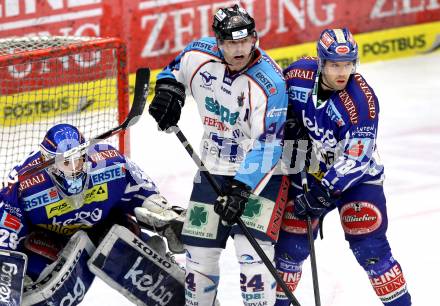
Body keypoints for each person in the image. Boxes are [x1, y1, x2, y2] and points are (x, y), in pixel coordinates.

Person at [148, 4, 289, 306]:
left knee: (253, 261)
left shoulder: (270, 83)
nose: (239, 50)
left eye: (245, 41)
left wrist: (241, 188)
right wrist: (167, 93)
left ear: (255, 38)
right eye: (231, 43)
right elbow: (173, 71)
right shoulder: (198, 54)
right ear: (218, 42)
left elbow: (270, 145)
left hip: (261, 179)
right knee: (198, 262)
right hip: (212, 168)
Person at [275, 28, 412, 305]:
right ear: (321, 61)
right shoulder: (298, 75)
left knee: (371, 249)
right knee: (289, 250)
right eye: (335, 64)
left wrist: (324, 190)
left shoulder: (362, 101)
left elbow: (357, 158)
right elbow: (275, 100)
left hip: (357, 180)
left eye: (349, 63)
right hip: (310, 171)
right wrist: (289, 123)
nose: (342, 72)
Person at [0, 123, 185, 306]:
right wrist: (7, 277)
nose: (74, 168)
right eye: (66, 162)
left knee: (137, 246)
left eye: (78, 159)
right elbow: (7, 232)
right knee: (23, 283)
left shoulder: (110, 161)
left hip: (105, 230)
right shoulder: (23, 183)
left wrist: (164, 217)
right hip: (51, 243)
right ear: (49, 162)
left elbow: (146, 197)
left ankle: (185, 299)